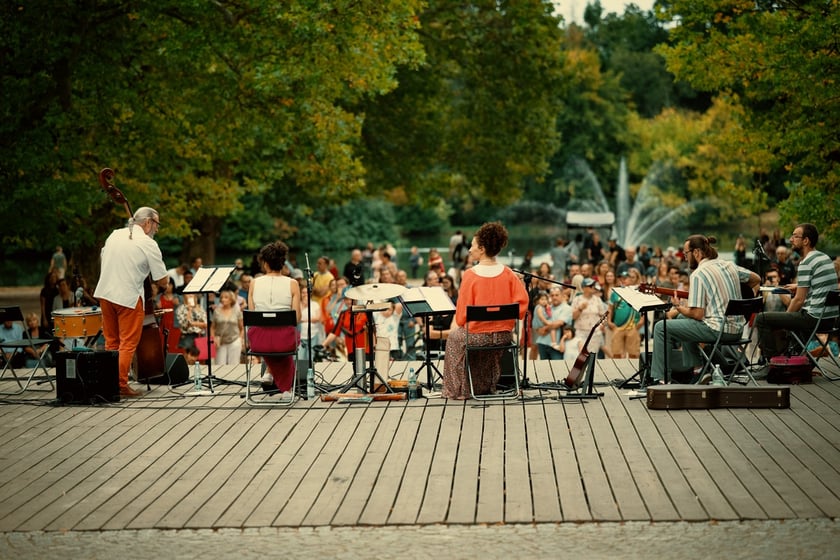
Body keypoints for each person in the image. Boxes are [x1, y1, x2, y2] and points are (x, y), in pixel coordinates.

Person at [650, 234, 760, 385]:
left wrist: (678, 307)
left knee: (660, 327)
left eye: (686, 253)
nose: (684, 257)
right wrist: (747, 298)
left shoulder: (698, 274)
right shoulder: (729, 265)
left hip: (717, 330)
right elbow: (756, 279)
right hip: (738, 330)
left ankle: (661, 380)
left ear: (696, 253)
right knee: (682, 320)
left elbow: (697, 314)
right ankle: (698, 370)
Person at [442, 222, 529, 400]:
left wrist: (469, 324)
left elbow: (461, 316)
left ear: (481, 249)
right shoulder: (509, 274)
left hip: (476, 336)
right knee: (480, 345)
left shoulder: (470, 275)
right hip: (503, 336)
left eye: (472, 246)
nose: (469, 250)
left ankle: (457, 390)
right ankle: (484, 386)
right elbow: (522, 306)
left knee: (454, 338)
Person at [92, 207, 168, 397]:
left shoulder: (115, 234)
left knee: (112, 342)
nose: (157, 229)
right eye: (157, 224)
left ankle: (109, 384)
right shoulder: (148, 243)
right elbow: (162, 280)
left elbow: (104, 257)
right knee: (127, 343)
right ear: (148, 222)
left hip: (105, 293)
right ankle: (120, 385)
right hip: (128, 297)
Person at [754, 223, 839, 362]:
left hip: (813, 318)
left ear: (806, 241)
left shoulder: (806, 262)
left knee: (762, 318)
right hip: (829, 320)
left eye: (795, 236)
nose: (791, 239)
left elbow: (799, 300)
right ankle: (797, 361)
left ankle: (773, 363)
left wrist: (784, 321)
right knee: (793, 327)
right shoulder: (824, 258)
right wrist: (799, 285)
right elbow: (822, 285)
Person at [248, 240, 301, 394]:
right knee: (288, 336)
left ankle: (270, 372)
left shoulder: (254, 283)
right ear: (282, 262)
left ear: (264, 263)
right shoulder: (292, 283)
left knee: (268, 334)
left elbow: (253, 317)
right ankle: (287, 389)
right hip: (284, 341)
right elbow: (296, 318)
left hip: (259, 342)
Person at [211, 288, 244, 366]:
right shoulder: (217, 311)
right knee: (219, 364)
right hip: (221, 341)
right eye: (221, 297)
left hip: (234, 340)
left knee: (234, 365)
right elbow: (212, 327)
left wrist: (240, 339)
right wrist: (213, 338)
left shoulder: (237, 311)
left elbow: (242, 327)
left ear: (231, 299)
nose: (223, 299)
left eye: (226, 297)